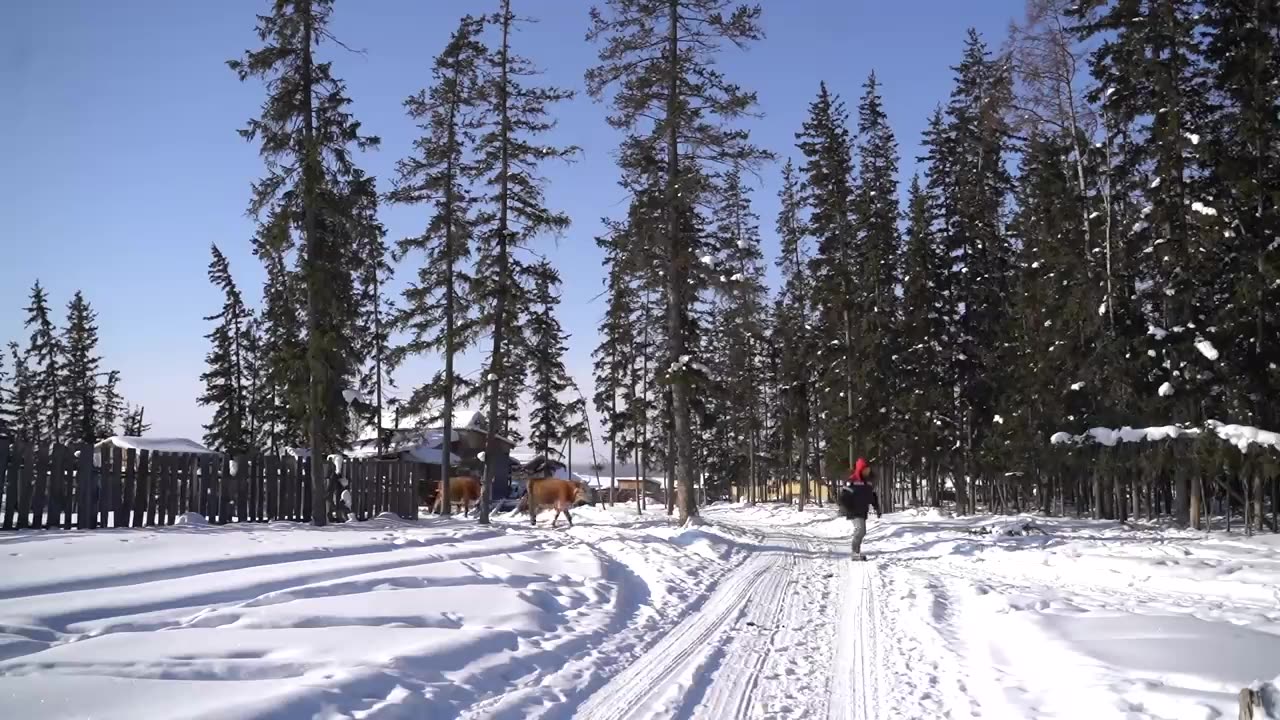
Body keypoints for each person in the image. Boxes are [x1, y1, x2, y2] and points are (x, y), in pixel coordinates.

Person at [837, 457, 881, 559]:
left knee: (862, 531)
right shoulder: (852, 482)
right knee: (860, 530)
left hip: (862, 510)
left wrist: (877, 508)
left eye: (868, 470)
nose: (867, 471)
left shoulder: (868, 483)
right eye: (865, 469)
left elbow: (872, 497)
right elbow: (843, 497)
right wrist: (846, 507)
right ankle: (855, 553)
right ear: (861, 469)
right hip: (853, 510)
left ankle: (856, 551)